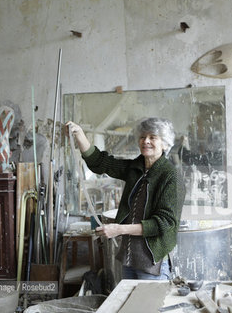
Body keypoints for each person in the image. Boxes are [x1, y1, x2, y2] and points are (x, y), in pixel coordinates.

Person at [66, 117, 185, 280]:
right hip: (130, 260)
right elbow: (101, 163)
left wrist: (119, 229)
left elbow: (163, 223)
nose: (146, 141)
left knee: (147, 306)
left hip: (152, 264)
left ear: (165, 144)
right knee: (129, 305)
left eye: (153, 137)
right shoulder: (136, 168)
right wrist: (79, 135)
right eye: (143, 137)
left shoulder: (171, 176)